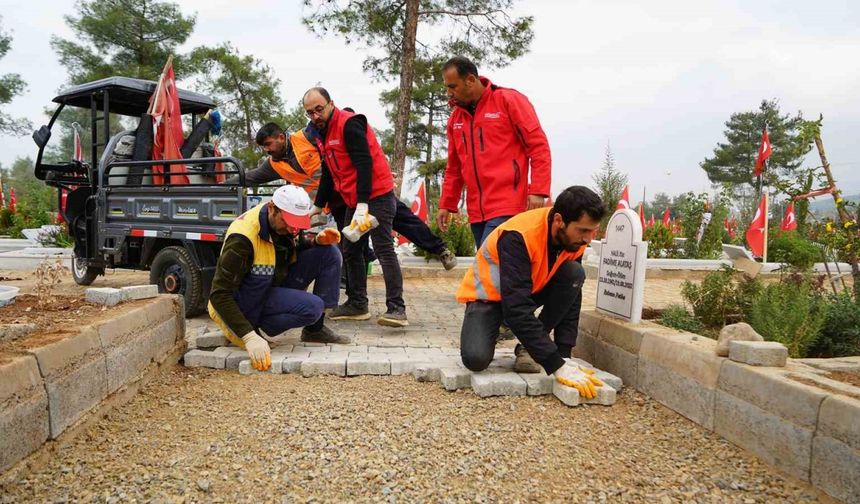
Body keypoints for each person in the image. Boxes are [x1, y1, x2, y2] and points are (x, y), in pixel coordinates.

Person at [234, 121, 457, 271]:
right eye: (263, 147)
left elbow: (345, 143)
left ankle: (440, 249)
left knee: (402, 217)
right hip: (337, 202)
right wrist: (217, 178)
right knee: (349, 243)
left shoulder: (308, 137)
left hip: (361, 187)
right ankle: (354, 285)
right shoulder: (273, 165)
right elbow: (248, 177)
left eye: (268, 144)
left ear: (281, 137)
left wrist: (377, 171)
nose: (267, 150)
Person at [456, 185, 607, 399]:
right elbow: (516, 309)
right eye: (583, 230)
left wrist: (564, 354)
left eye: (593, 230)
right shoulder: (518, 235)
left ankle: (530, 344)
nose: (588, 239)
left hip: (524, 295)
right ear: (559, 221)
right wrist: (556, 365)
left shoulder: (574, 239)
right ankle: (498, 327)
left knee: (574, 273)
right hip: (488, 300)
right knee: (475, 359)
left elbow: (572, 295)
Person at [207, 184, 347, 372]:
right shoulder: (242, 239)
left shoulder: (285, 225)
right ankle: (260, 328)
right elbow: (219, 295)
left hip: (270, 283)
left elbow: (289, 249)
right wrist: (248, 336)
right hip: (247, 300)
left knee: (329, 253)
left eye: (296, 223)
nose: (292, 228)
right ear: (272, 208)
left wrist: (315, 241)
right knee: (312, 307)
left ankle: (315, 330)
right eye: (288, 221)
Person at [303, 87, 408, 327]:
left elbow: (364, 163)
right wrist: (317, 207)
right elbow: (329, 173)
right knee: (350, 250)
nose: (315, 116)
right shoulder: (323, 134)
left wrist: (363, 204)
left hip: (377, 195)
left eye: (319, 109)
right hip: (354, 199)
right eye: (310, 112)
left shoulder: (350, 124)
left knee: (383, 249)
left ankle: (397, 308)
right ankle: (357, 303)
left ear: (331, 103)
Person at [437, 55, 552, 247]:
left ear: (471, 80)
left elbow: (538, 146)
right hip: (476, 212)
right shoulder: (455, 119)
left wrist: (539, 190)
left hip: (508, 204)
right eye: (447, 87)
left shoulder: (509, 100)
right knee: (492, 268)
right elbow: (454, 167)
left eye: (453, 86)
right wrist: (446, 203)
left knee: (488, 265)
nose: (449, 93)